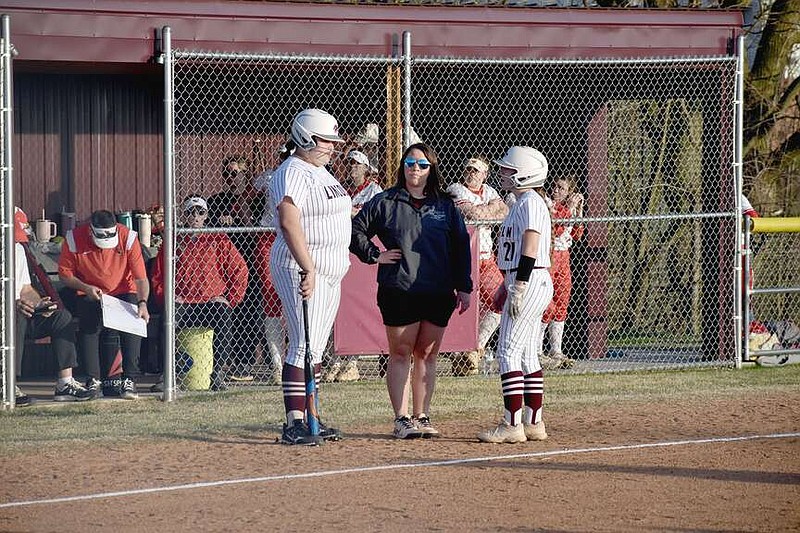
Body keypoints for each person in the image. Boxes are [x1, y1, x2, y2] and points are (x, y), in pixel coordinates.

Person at [351, 142, 473, 439]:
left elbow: (460, 247)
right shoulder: (385, 201)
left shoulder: (445, 205)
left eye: (421, 165)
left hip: (438, 290)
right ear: (401, 166)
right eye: (409, 163)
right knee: (402, 352)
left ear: (431, 169)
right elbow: (355, 230)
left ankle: (422, 415)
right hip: (399, 288)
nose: (415, 169)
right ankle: (402, 418)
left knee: (427, 354)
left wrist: (464, 286)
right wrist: (374, 254)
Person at [269, 108, 351, 445]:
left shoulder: (322, 173)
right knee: (302, 345)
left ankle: (312, 416)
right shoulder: (292, 171)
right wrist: (309, 267)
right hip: (302, 265)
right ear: (304, 137)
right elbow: (289, 220)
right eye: (325, 140)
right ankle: (295, 422)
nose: (332, 146)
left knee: (315, 347)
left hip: (330, 268)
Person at [477, 146, 553, 444]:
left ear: (525, 173)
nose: (503, 173)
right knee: (526, 354)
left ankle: (512, 425)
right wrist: (504, 286)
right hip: (528, 278)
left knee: (508, 352)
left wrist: (518, 285)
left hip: (529, 278)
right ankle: (533, 423)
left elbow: (530, 246)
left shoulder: (531, 202)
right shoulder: (521, 202)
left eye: (509, 169)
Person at [150, 196, 249, 391]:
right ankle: (168, 375)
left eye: (200, 212)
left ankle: (218, 373)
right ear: (184, 216)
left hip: (210, 302)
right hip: (183, 302)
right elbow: (158, 275)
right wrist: (167, 298)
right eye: (190, 212)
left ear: (206, 215)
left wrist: (230, 298)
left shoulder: (218, 238)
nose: (195, 216)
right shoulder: (173, 241)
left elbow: (240, 269)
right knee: (167, 318)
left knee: (224, 315)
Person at [58, 209, 150, 400]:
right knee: (89, 326)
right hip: (90, 290)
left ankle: (129, 379)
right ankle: (94, 379)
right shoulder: (74, 238)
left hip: (124, 289)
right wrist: (86, 287)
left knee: (134, 322)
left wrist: (142, 303)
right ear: (91, 231)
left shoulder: (129, 237)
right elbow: (65, 274)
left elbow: (141, 279)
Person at [13, 207, 93, 405]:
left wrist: (39, 302)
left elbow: (25, 288)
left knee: (61, 317)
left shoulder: (17, 250)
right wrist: (14, 304)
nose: (17, 240)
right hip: (9, 315)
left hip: (24, 311)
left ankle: (65, 383)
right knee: (16, 316)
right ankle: (7, 383)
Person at [321, 148, 384, 383]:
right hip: (340, 249)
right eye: (350, 164)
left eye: (357, 164)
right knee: (338, 307)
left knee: (358, 307)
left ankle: (352, 362)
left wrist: (351, 212)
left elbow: (372, 216)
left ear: (366, 168)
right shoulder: (340, 188)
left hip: (362, 251)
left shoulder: (373, 189)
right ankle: (337, 359)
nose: (352, 167)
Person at [446, 156, 508, 376]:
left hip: (485, 257)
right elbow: (472, 213)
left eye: (476, 171)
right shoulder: (456, 189)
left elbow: (505, 212)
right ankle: (458, 357)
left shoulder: (489, 191)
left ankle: (476, 347)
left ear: (484, 175)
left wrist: (488, 210)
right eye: (468, 169)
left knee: (502, 299)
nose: (471, 173)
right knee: (460, 307)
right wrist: (491, 209)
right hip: (462, 257)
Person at [208, 155, 263, 381]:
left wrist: (243, 214)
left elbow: (259, 224)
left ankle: (245, 361)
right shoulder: (217, 200)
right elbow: (208, 225)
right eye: (228, 174)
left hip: (250, 258)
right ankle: (225, 358)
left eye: (237, 173)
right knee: (228, 308)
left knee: (250, 308)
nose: (232, 178)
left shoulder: (257, 200)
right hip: (224, 263)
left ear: (246, 175)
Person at [537, 175, 585, 370]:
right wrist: (570, 209)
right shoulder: (547, 204)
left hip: (564, 257)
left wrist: (578, 211)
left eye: (561, 188)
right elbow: (555, 229)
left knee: (562, 301)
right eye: (555, 186)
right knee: (546, 304)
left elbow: (577, 234)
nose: (555, 190)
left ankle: (556, 349)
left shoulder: (568, 209)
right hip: (550, 256)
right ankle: (537, 349)